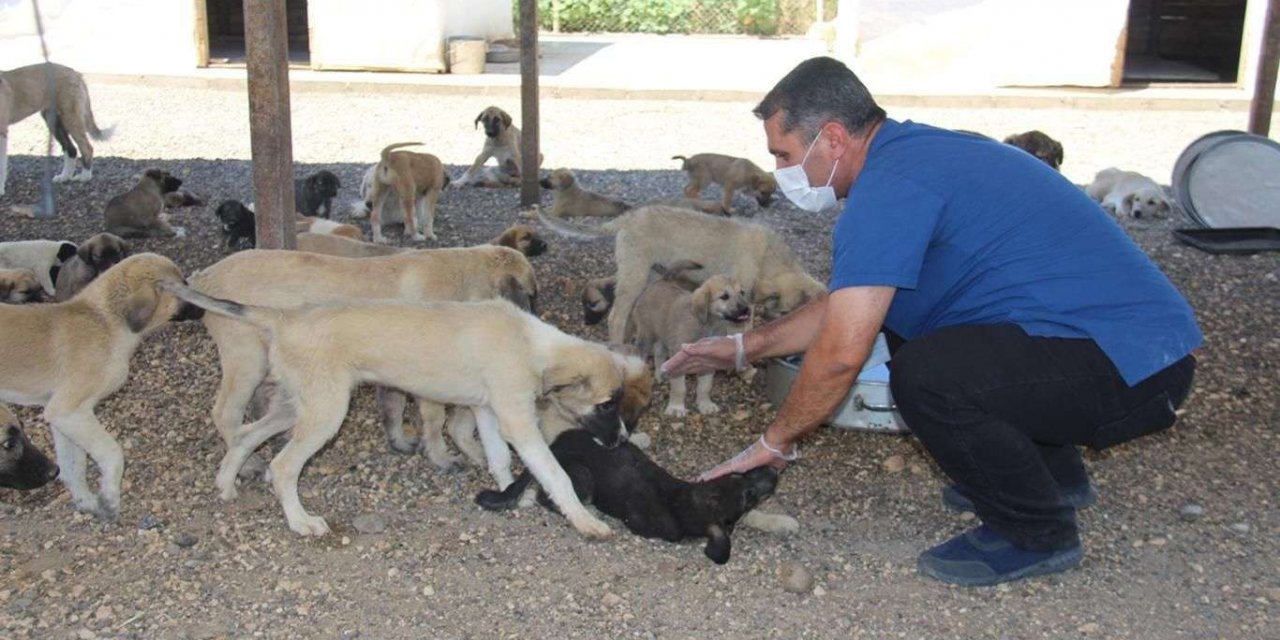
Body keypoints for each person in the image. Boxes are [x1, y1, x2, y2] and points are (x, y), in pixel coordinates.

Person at [661, 57, 1201, 587]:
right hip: (1130, 352)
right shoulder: (913, 155)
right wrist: (742, 348)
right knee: (908, 323)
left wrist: (774, 443)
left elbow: (844, 353)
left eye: (784, 155)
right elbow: (848, 305)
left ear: (831, 138)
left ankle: (1037, 531)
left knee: (925, 376)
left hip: (1133, 370)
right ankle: (1046, 479)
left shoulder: (888, 193)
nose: (781, 174)